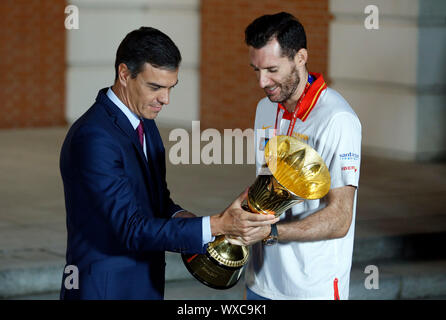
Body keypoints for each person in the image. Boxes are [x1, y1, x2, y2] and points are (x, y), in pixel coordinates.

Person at [59, 26, 278, 300]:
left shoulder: (144, 123)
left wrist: (194, 221)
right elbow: (131, 229)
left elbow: (157, 203)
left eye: (170, 87)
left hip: (144, 286)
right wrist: (216, 225)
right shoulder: (94, 137)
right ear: (124, 74)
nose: (165, 99)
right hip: (106, 290)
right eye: (155, 87)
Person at [241, 12, 362, 300]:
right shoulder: (265, 108)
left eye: (272, 69)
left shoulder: (338, 119)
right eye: (256, 70)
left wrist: (271, 233)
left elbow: (340, 218)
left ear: (300, 57)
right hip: (261, 281)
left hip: (311, 288)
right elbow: (267, 185)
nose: (262, 81)